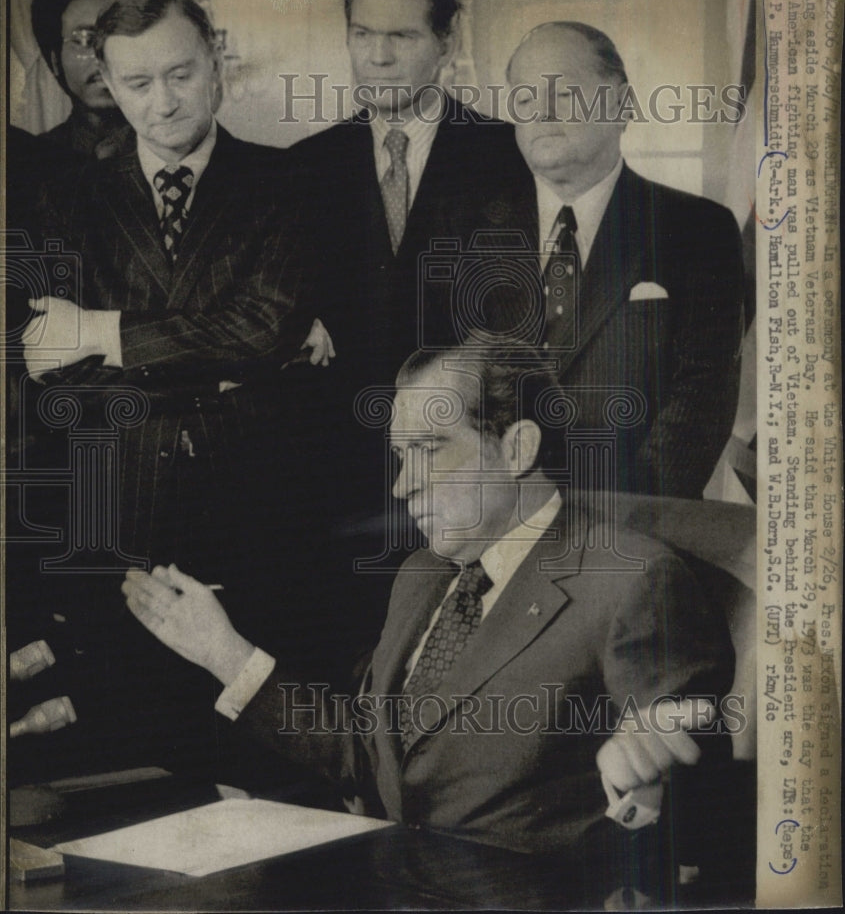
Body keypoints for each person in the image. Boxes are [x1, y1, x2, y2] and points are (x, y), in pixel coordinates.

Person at [123, 341, 735, 902]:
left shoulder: (632, 579)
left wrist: (646, 793)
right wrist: (224, 653)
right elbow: (368, 753)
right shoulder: (422, 573)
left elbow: (697, 791)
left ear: (517, 448)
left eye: (429, 451)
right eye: (399, 456)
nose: (402, 486)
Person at [18, 0, 326, 775]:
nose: (161, 103)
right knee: (136, 779)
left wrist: (102, 332)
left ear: (216, 60)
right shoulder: (65, 200)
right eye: (137, 84)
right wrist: (223, 373)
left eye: (180, 74)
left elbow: (260, 329)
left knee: (261, 776)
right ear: (107, 86)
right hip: (123, 531)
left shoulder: (287, 184)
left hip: (259, 528)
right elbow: (57, 386)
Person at [285, 0, 533, 574]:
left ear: (446, 43)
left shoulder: (511, 157)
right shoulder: (302, 167)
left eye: (401, 35)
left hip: (460, 478)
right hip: (330, 477)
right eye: (362, 33)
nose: (378, 55)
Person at [462, 21, 745, 498]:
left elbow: (701, 400)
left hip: (636, 525)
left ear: (621, 104)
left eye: (565, 94)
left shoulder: (699, 230)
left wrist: (614, 523)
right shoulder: (471, 232)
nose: (542, 113)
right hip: (500, 522)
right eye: (525, 100)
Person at [30, 0, 158, 160]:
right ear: (55, 61)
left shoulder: (183, 152)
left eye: (119, 37)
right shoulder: (31, 159)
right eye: (84, 39)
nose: (104, 57)